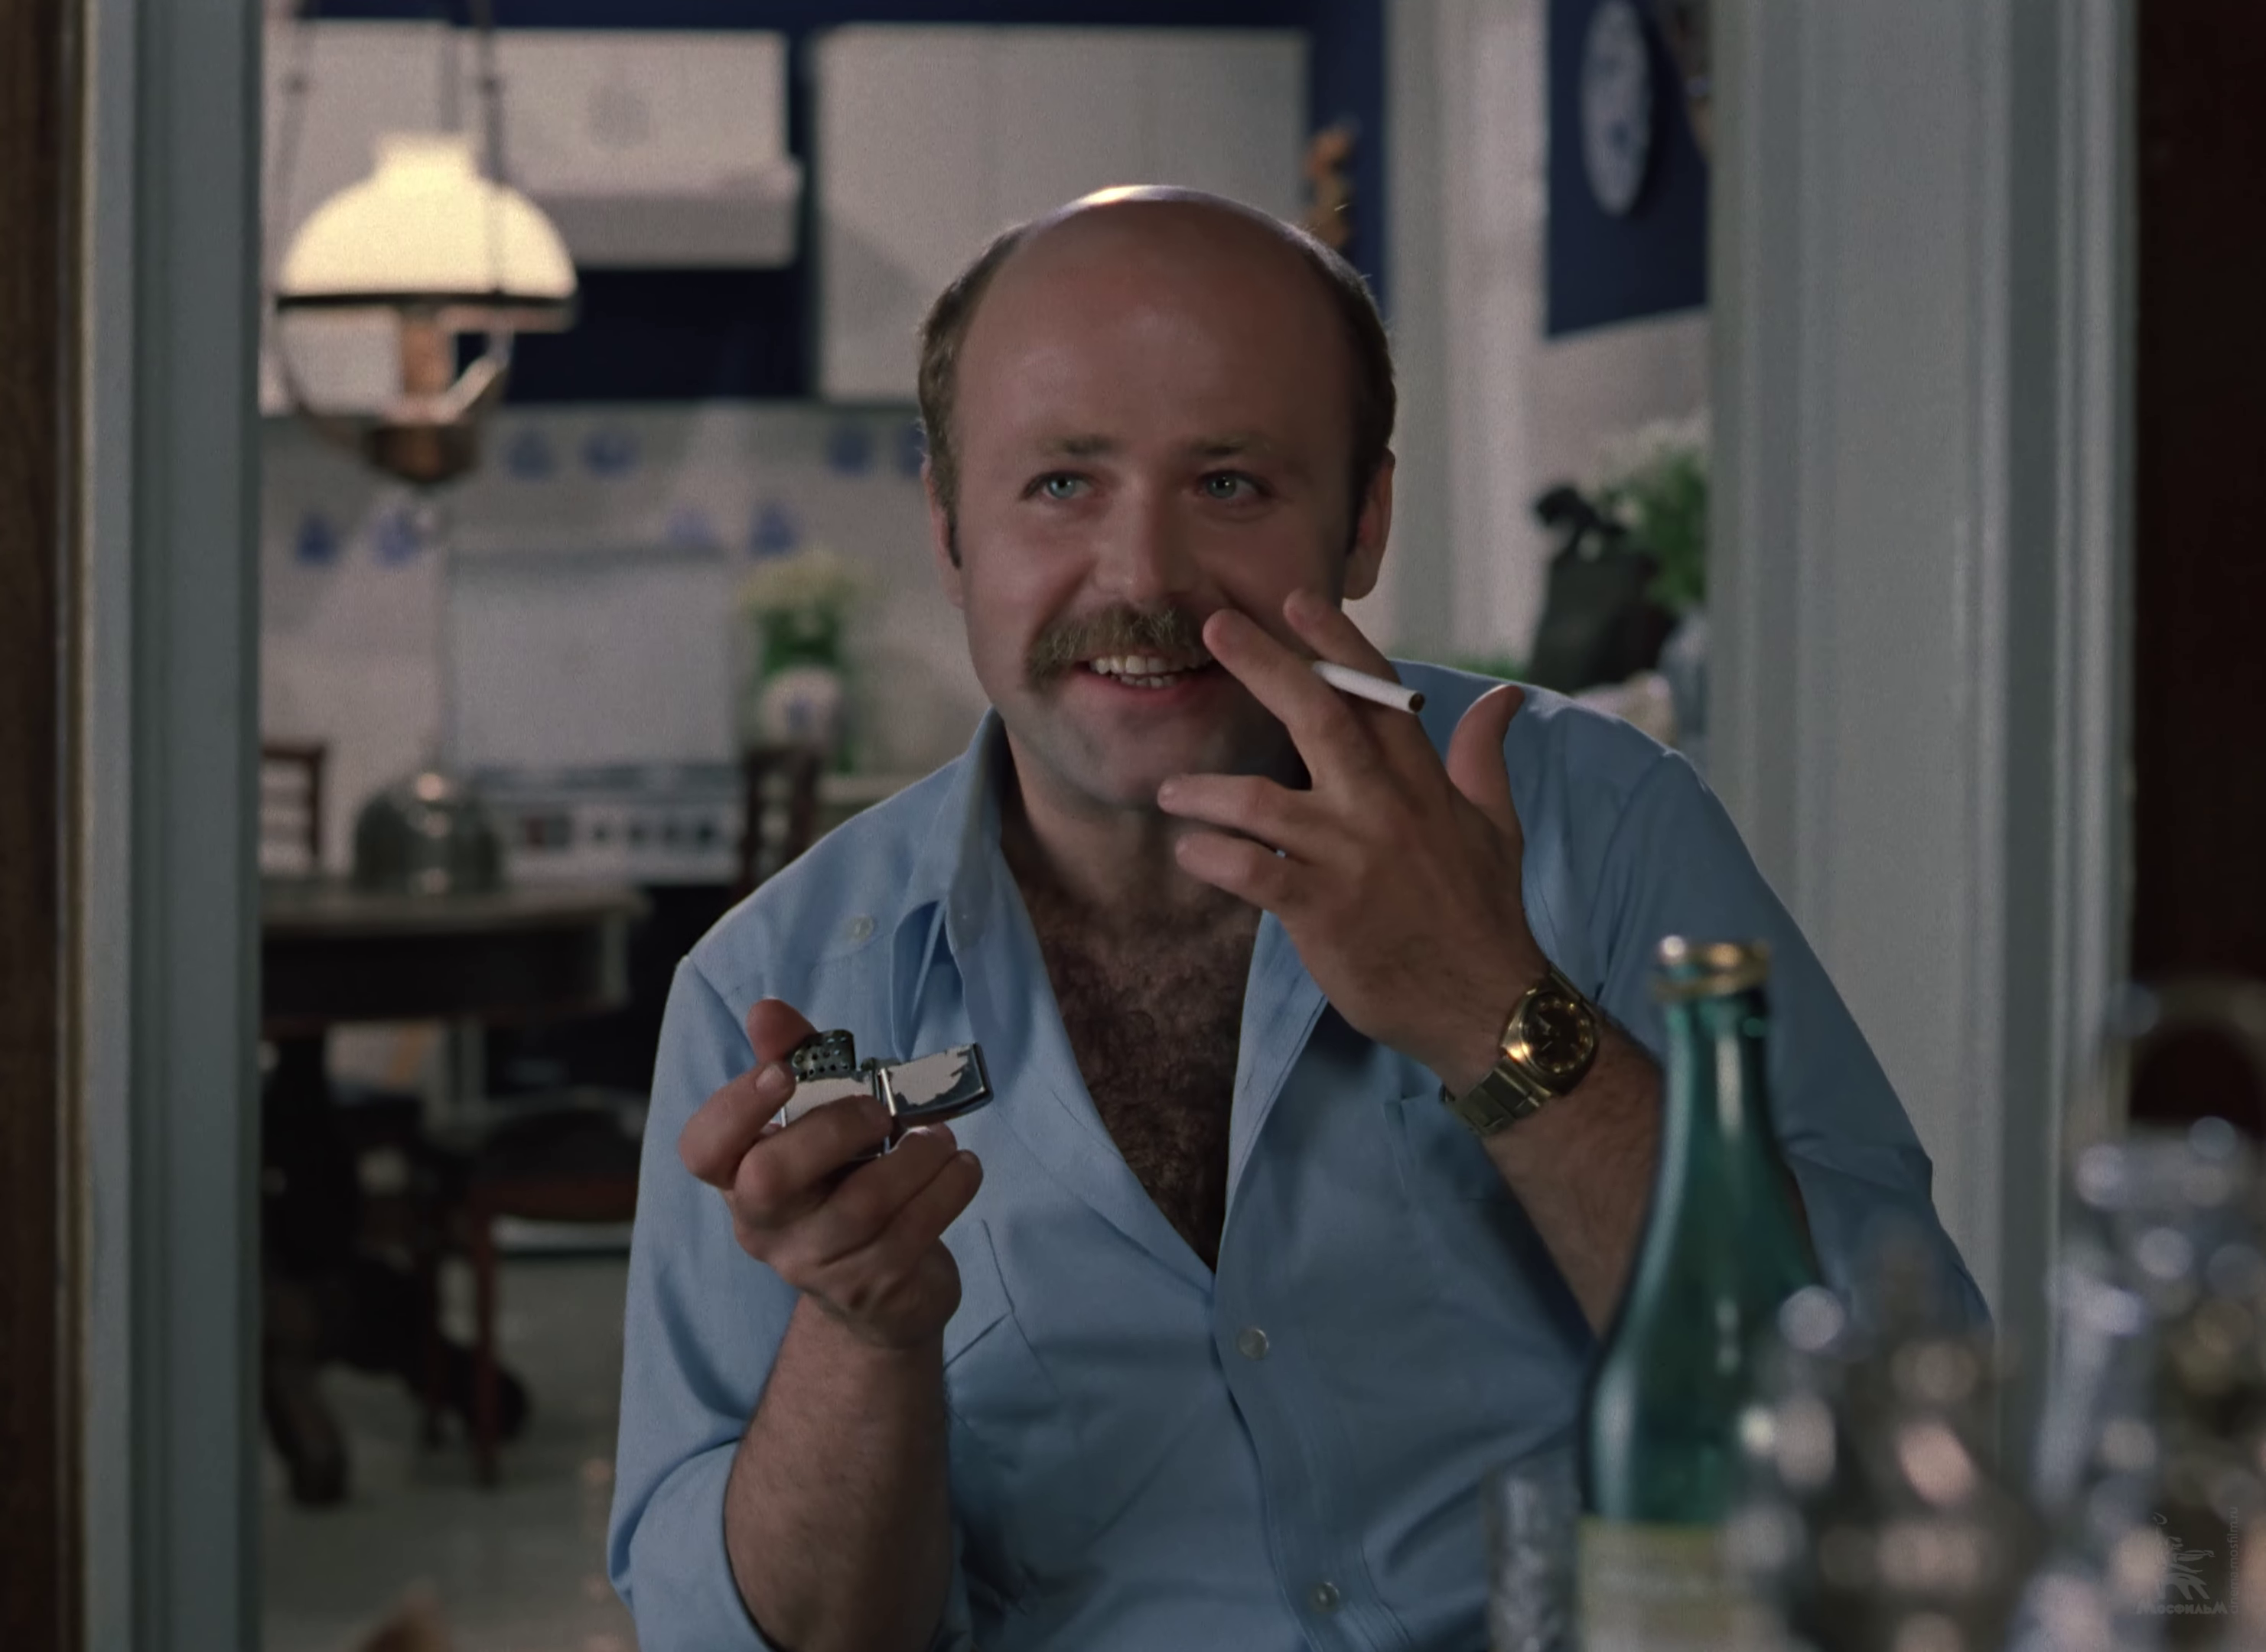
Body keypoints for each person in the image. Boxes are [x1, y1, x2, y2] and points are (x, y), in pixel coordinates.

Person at [607, 187, 1983, 1652]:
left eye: (1230, 484)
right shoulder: (772, 990)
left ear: (1362, 521)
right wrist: (859, 1334)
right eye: (1062, 483)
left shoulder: (1601, 824)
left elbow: (1881, 1445)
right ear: (949, 528)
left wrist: (1490, 1009)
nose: (1143, 578)